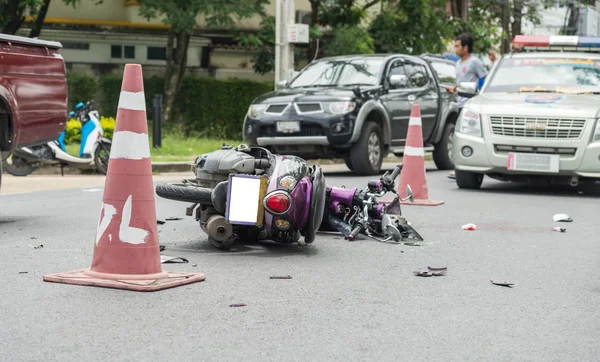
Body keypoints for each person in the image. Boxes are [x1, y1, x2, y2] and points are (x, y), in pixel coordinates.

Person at [446, 33, 488, 180]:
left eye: (457, 46)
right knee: (459, 135)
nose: (455, 49)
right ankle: (458, 167)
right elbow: (462, 82)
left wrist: (479, 94)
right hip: (460, 103)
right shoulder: (458, 64)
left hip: (471, 105)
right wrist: (454, 88)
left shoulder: (474, 62)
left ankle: (464, 167)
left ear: (466, 47)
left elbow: (483, 78)